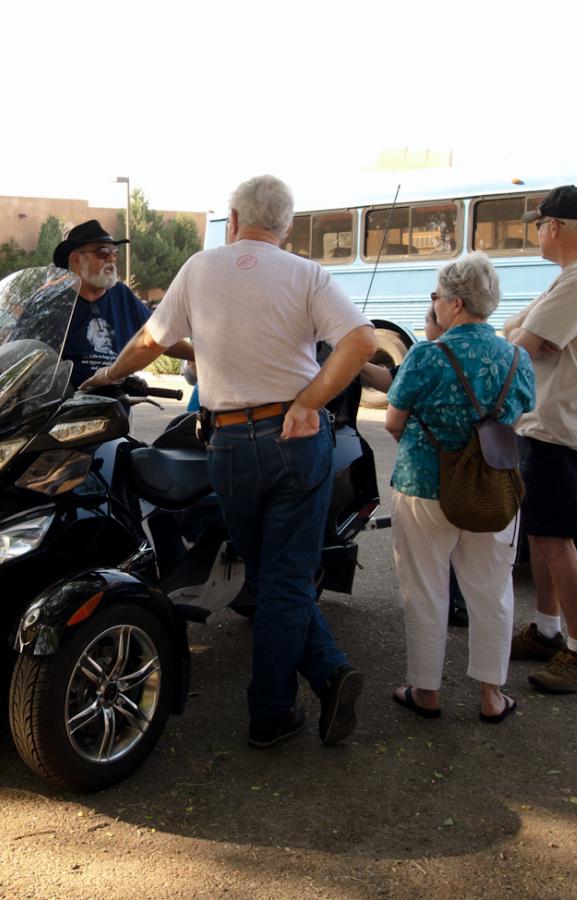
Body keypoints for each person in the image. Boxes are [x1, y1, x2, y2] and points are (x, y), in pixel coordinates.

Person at [82, 175, 376, 748]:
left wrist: (105, 377)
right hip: (295, 441)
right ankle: (277, 709)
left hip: (229, 443)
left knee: (266, 575)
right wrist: (309, 403)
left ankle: (325, 677)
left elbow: (150, 340)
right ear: (287, 226)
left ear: (234, 220)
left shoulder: (200, 268)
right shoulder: (306, 274)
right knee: (284, 580)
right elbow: (361, 342)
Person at [384, 253, 535, 722]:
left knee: (425, 590)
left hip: (424, 485)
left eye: (438, 297)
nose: (437, 304)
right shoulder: (517, 357)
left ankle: (426, 692)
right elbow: (518, 416)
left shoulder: (426, 355)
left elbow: (393, 421)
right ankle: (492, 697)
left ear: (456, 303)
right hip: (492, 486)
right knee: (492, 591)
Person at [505, 186, 577, 693]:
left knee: (556, 540)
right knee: (542, 534)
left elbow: (525, 344)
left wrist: (514, 336)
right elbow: (520, 333)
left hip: (560, 428)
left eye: (538, 224)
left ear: (554, 227)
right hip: (551, 424)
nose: (537, 233)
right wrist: (516, 333)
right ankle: (548, 630)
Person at [361, 305, 471, 629]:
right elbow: (388, 379)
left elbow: (393, 421)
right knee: (469, 548)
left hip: (427, 474)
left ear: (444, 321)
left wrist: (412, 448)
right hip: (480, 472)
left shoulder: (424, 357)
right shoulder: (504, 354)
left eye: (427, 321)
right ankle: (461, 605)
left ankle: (441, 614)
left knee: (427, 560)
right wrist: (358, 361)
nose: (425, 328)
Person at [53, 220, 192, 388]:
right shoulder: (54, 301)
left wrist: (197, 355)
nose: (111, 259)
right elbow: (30, 354)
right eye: (102, 252)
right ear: (76, 259)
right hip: (66, 402)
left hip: (116, 401)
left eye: (114, 253)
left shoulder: (122, 294)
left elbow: (159, 334)